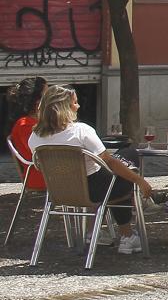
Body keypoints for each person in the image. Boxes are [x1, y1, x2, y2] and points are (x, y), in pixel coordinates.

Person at [28, 85, 154, 254]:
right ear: (65, 107)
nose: (78, 106)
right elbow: (109, 161)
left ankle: (100, 234)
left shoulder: (34, 137)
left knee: (115, 176)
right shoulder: (81, 131)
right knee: (126, 160)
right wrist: (140, 180)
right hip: (94, 190)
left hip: (60, 191)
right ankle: (127, 236)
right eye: (75, 103)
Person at [6, 76, 48, 191]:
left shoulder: (37, 122)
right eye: (47, 94)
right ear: (37, 102)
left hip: (49, 172)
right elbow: (38, 154)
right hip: (41, 176)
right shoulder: (25, 125)